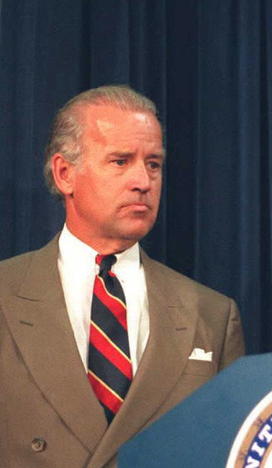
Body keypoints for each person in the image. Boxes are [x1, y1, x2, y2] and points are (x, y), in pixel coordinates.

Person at [0, 85, 245, 468]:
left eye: (153, 164)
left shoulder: (212, 314)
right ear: (65, 174)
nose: (143, 182)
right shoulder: (5, 294)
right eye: (120, 161)